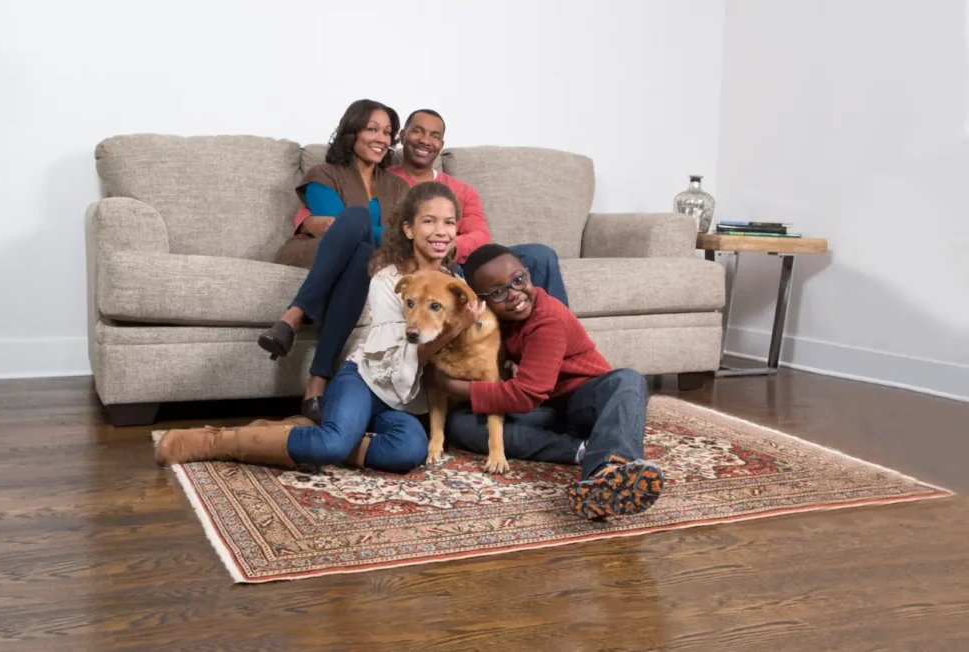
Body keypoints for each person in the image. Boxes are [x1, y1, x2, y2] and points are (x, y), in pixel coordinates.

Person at [155, 182, 482, 474]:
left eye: (449, 222)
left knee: (411, 449)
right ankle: (219, 442)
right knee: (332, 446)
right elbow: (408, 351)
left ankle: (301, 433)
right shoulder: (388, 279)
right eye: (430, 221)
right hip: (365, 382)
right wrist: (456, 329)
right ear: (409, 229)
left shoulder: (457, 285)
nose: (441, 230)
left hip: (401, 401)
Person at [426, 243, 664, 520]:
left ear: (527, 274)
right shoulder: (493, 322)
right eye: (499, 292)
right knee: (462, 424)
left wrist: (445, 384)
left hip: (580, 401)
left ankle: (608, 470)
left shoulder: (546, 319)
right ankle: (581, 450)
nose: (514, 295)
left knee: (628, 380)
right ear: (482, 302)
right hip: (545, 411)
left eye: (518, 280)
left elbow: (525, 395)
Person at [289, 108, 570, 305]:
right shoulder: (386, 180)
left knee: (540, 256)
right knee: (447, 275)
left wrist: (447, 245)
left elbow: (481, 236)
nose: (426, 140)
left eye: (434, 136)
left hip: (460, 257)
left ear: (441, 144)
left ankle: (557, 345)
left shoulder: (462, 189)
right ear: (402, 136)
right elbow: (346, 209)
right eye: (418, 132)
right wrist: (305, 220)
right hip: (427, 262)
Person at [260, 99, 412, 424]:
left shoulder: (398, 186)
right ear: (351, 132)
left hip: (363, 258)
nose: (381, 139)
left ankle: (298, 334)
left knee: (361, 254)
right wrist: (374, 231)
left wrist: (369, 232)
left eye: (388, 132)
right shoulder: (323, 174)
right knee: (354, 220)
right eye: (372, 129)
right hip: (313, 251)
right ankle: (301, 334)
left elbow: (403, 236)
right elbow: (334, 227)